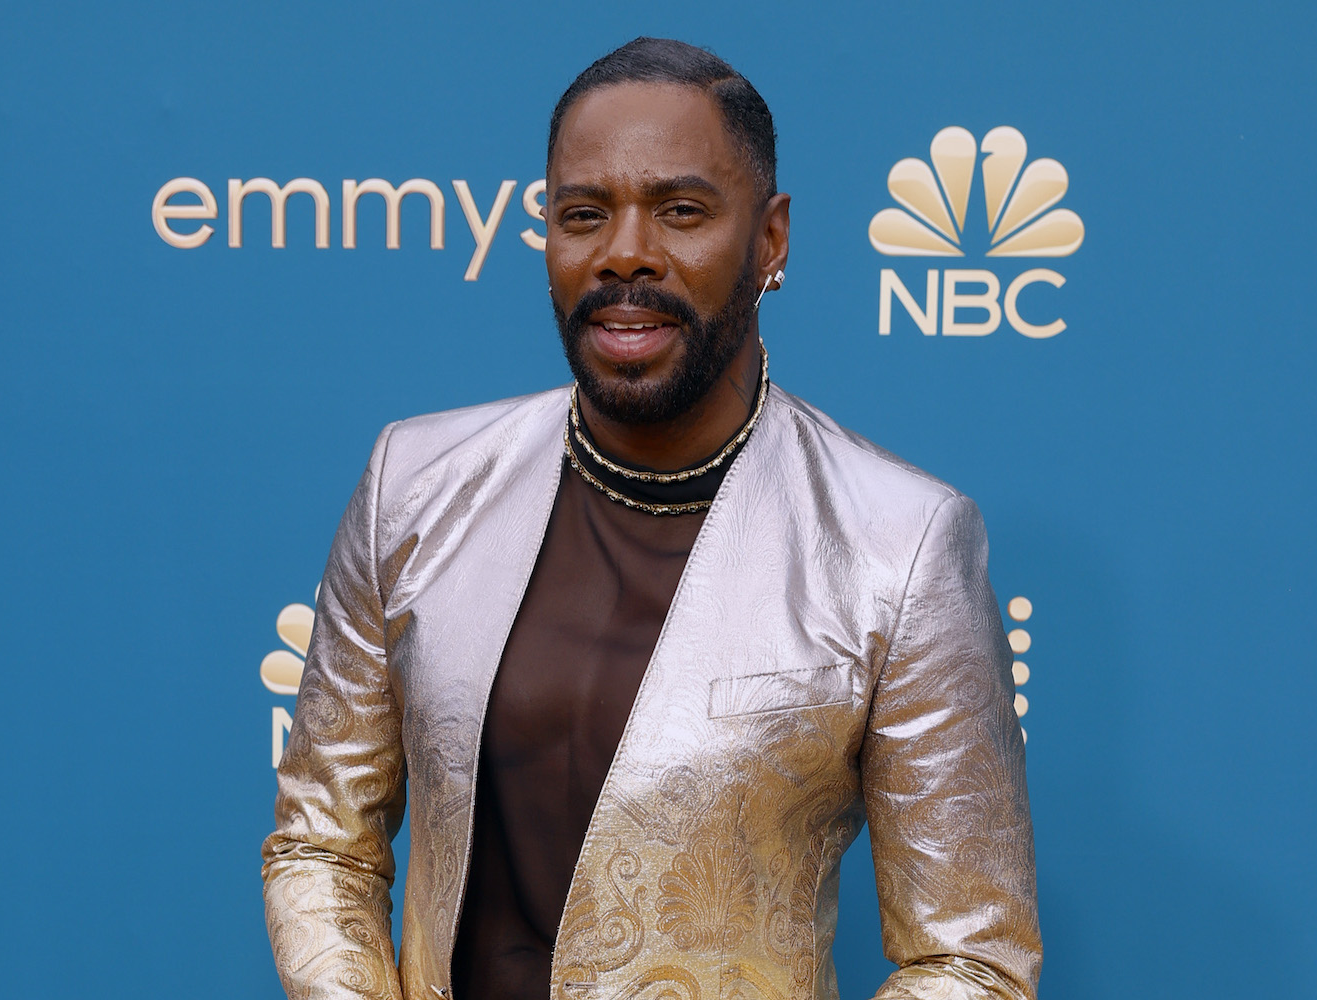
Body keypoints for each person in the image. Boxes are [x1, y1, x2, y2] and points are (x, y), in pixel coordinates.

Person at [262, 37, 1041, 1000]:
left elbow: (970, 958)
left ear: (770, 240)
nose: (625, 253)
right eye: (584, 215)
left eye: (680, 212)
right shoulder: (413, 484)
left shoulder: (902, 545)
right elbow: (320, 844)